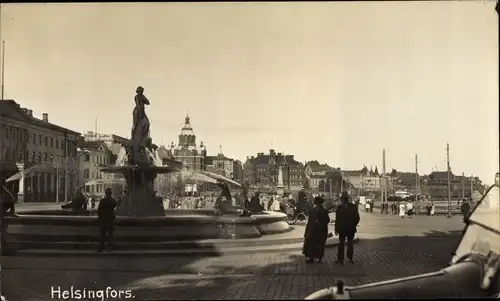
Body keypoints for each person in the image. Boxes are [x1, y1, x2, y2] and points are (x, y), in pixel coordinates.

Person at [303, 196, 330, 263]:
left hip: (321, 230)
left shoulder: (324, 211)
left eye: (319, 203)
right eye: (317, 203)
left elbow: (327, 220)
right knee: (311, 244)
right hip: (313, 230)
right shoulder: (312, 211)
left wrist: (320, 222)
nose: (318, 204)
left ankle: (320, 259)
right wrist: (307, 232)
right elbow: (310, 222)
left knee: (320, 245)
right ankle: (311, 258)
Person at [335, 192, 360, 264]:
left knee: (346, 244)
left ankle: (344, 258)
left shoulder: (342, 207)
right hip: (346, 229)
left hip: (346, 229)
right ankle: (345, 258)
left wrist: (353, 224)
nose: (342, 200)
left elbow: (357, 218)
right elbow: (357, 218)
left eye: (343, 199)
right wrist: (353, 225)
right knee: (345, 244)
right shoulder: (351, 207)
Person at [97, 188, 117, 252]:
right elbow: (115, 206)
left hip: (103, 219)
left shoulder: (102, 201)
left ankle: (101, 248)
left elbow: (99, 210)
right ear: (111, 193)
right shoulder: (113, 200)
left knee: (102, 235)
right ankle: (109, 247)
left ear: (105, 193)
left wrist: (100, 217)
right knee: (110, 235)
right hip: (110, 219)